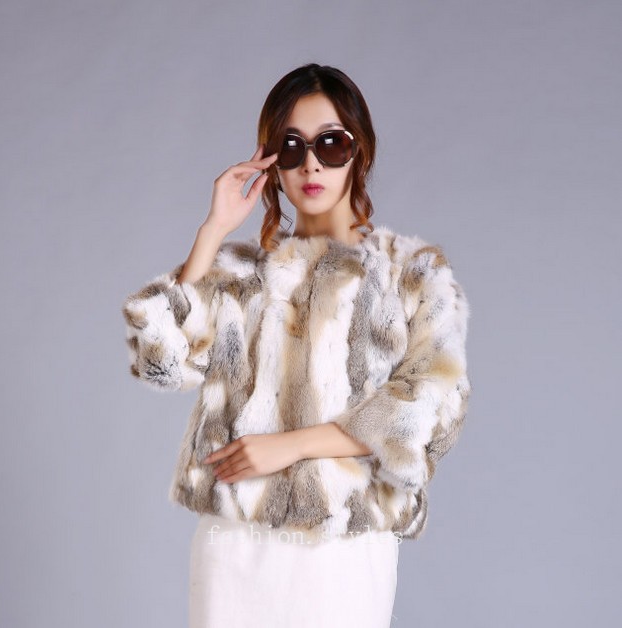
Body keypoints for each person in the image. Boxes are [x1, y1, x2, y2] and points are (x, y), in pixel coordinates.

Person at [122, 63, 472, 628]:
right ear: (271, 162)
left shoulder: (410, 273)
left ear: (360, 151)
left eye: (331, 144)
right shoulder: (242, 274)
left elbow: (432, 406)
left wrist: (290, 446)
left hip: (344, 548)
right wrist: (213, 229)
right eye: (291, 147)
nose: (311, 163)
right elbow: (160, 357)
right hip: (235, 546)